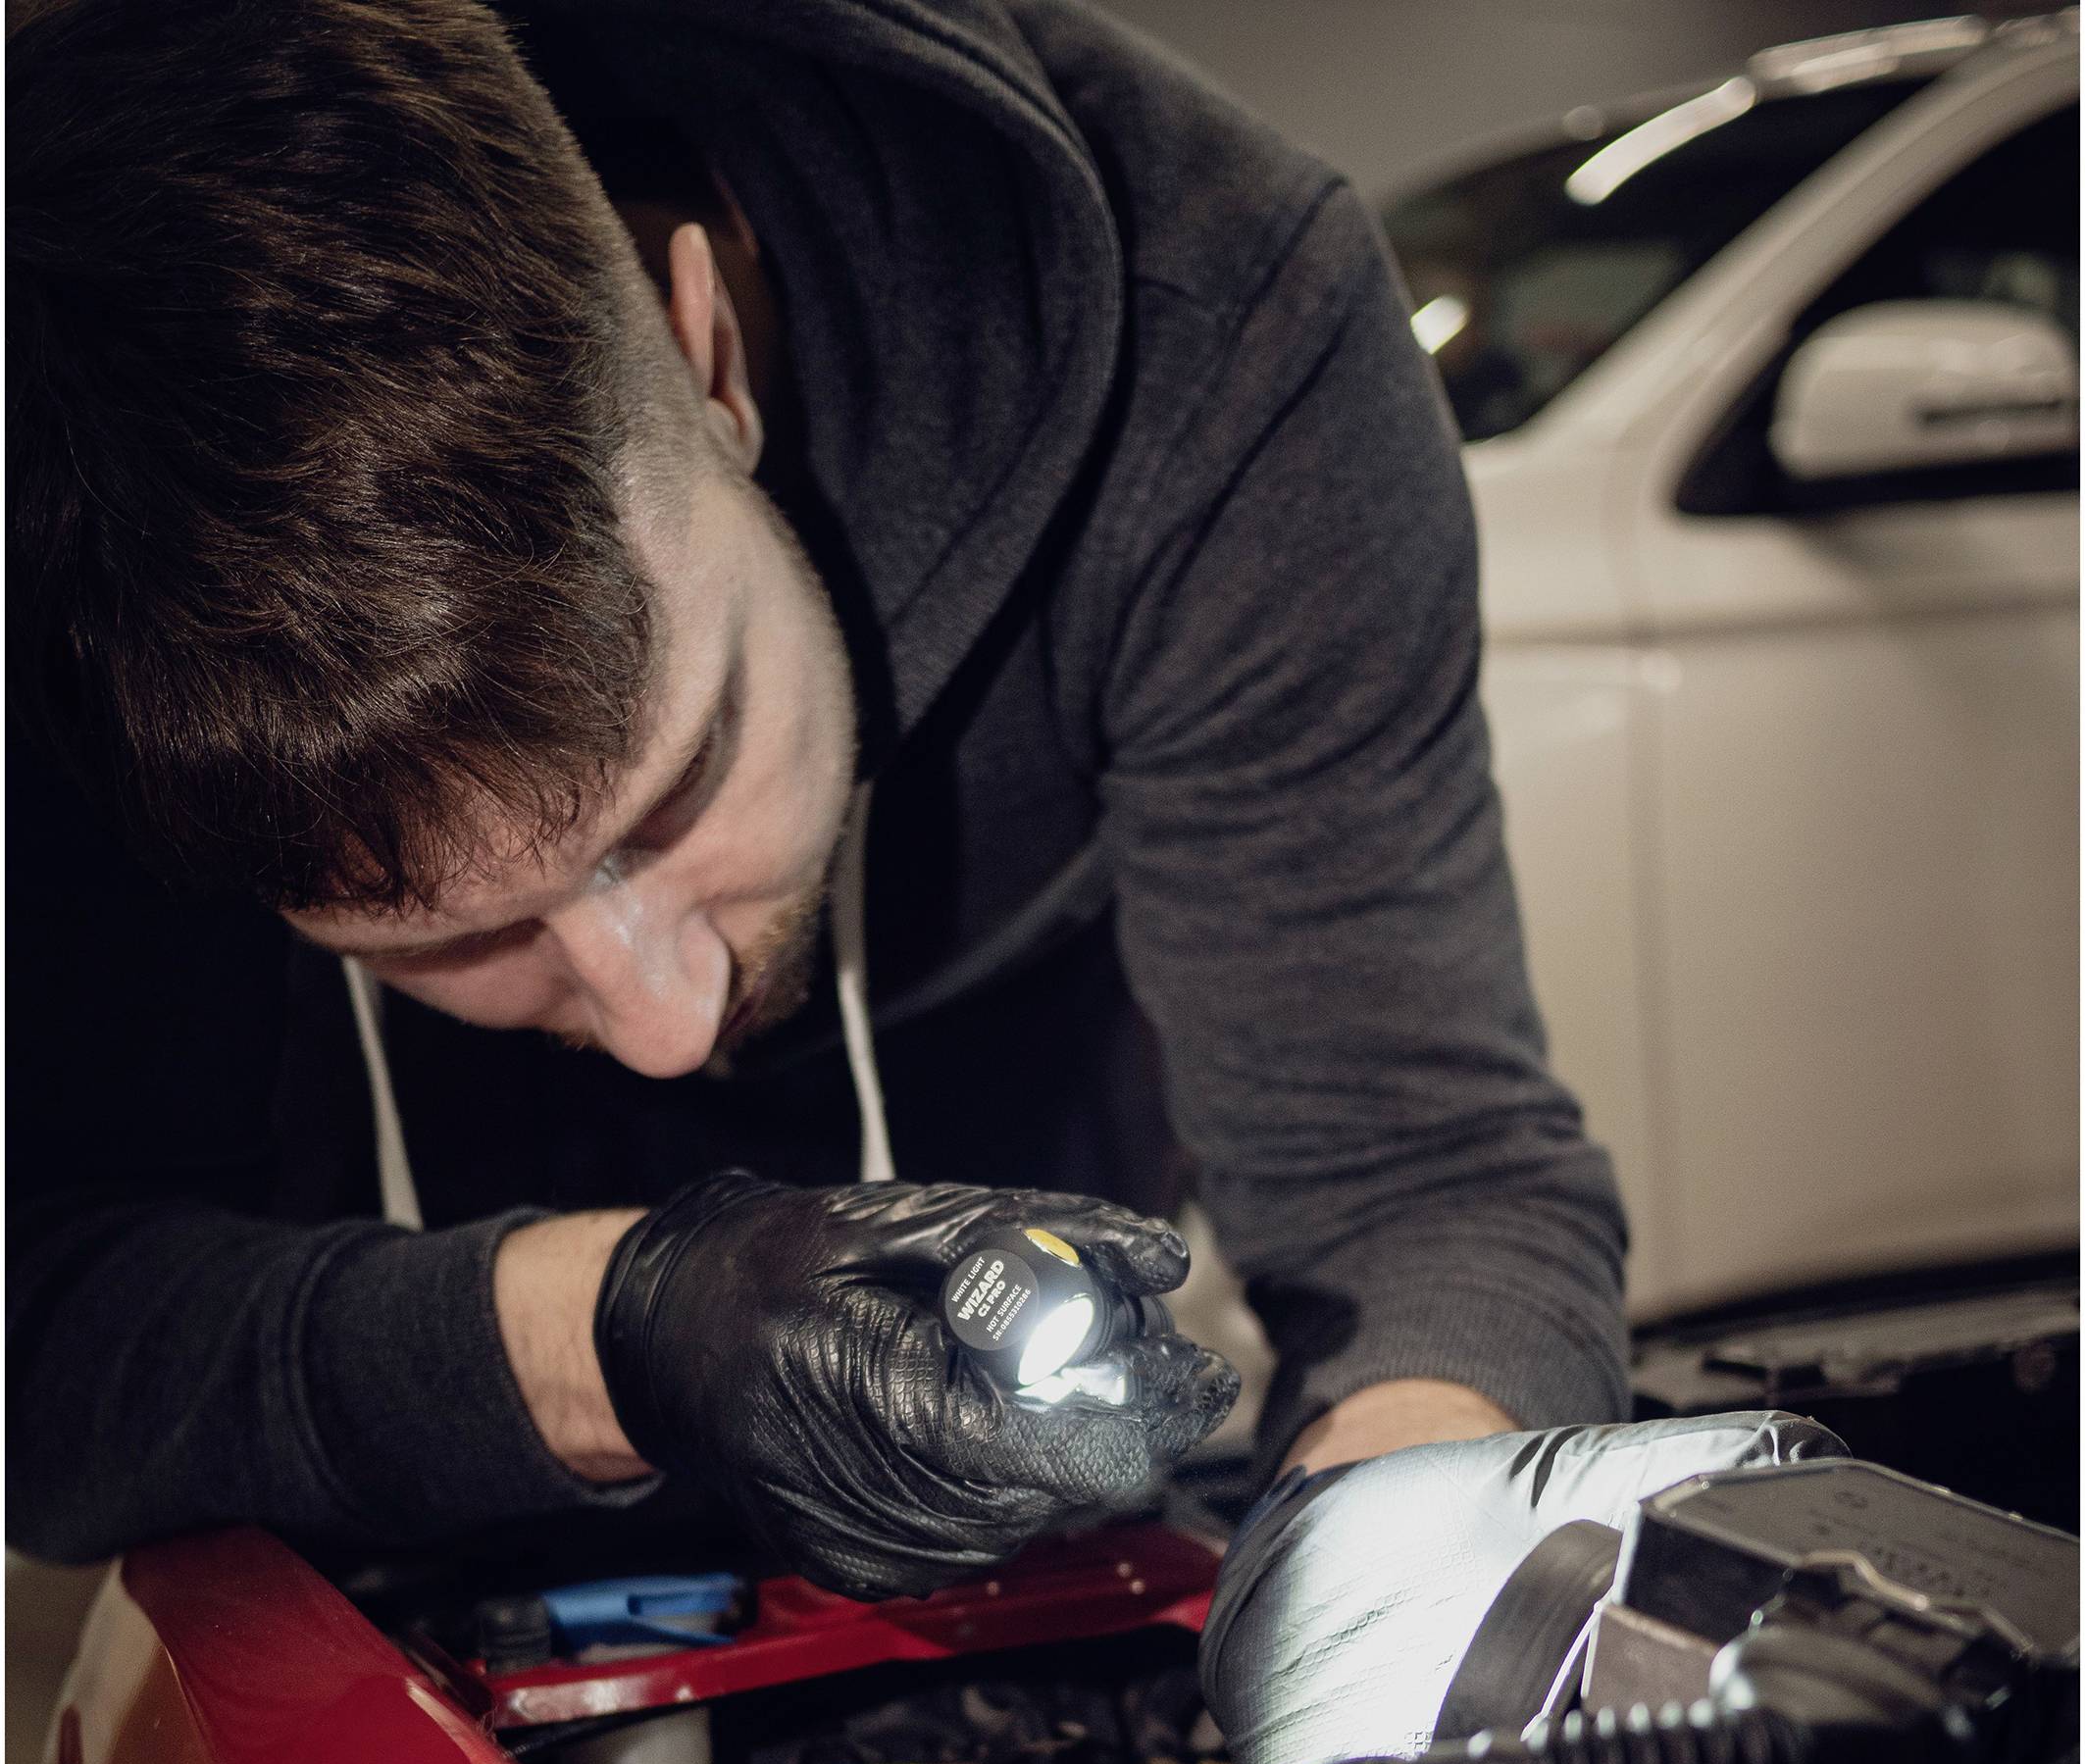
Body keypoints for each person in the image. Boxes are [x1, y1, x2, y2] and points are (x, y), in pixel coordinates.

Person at [7, 0, 1630, 1606]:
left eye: (684, 772)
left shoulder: (1210, 322)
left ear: (701, 349)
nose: (667, 1017)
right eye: (457, 935)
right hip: (352, 1534)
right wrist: (610, 1333)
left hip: (1018, 1430)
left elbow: (1418, 1181)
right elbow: (40, 1342)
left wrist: (1407, 1541)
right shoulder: (67, 528)